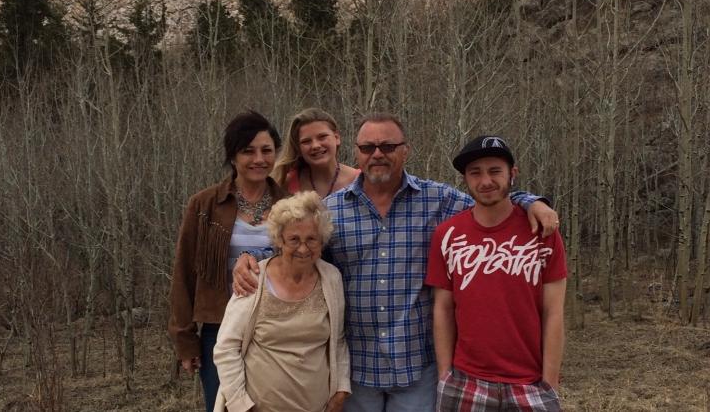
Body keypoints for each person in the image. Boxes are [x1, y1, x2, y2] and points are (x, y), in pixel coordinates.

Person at [234, 113, 560, 412]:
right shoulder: (330, 211)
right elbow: (295, 249)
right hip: (357, 370)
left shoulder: (440, 201)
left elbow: (489, 196)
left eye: (388, 146)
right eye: (368, 147)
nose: (378, 153)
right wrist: (250, 260)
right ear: (357, 152)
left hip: (418, 368)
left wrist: (529, 200)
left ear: (406, 150)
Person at [426, 136, 567, 412]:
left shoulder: (543, 232)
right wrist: (445, 376)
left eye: (495, 171)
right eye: (475, 173)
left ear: (512, 174)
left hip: (530, 383)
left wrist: (549, 382)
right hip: (466, 381)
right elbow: (443, 308)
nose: (485, 181)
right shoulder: (448, 234)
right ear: (466, 179)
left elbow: (554, 312)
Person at [168, 110, 285, 412]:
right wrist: (185, 339)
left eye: (266, 150)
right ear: (233, 157)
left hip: (276, 328)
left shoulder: (290, 204)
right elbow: (184, 273)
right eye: (248, 151)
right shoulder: (205, 205)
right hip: (220, 329)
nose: (259, 159)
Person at [212, 191, 351, 412]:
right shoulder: (253, 278)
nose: (303, 248)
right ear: (279, 240)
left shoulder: (331, 278)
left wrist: (341, 389)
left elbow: (339, 340)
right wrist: (241, 405)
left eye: (311, 239)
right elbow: (226, 348)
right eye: (294, 239)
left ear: (321, 240)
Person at [272, 108, 359, 197]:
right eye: (306, 141)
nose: (315, 146)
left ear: (336, 138)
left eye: (322, 137)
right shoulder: (286, 183)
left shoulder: (359, 180)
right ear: (298, 148)